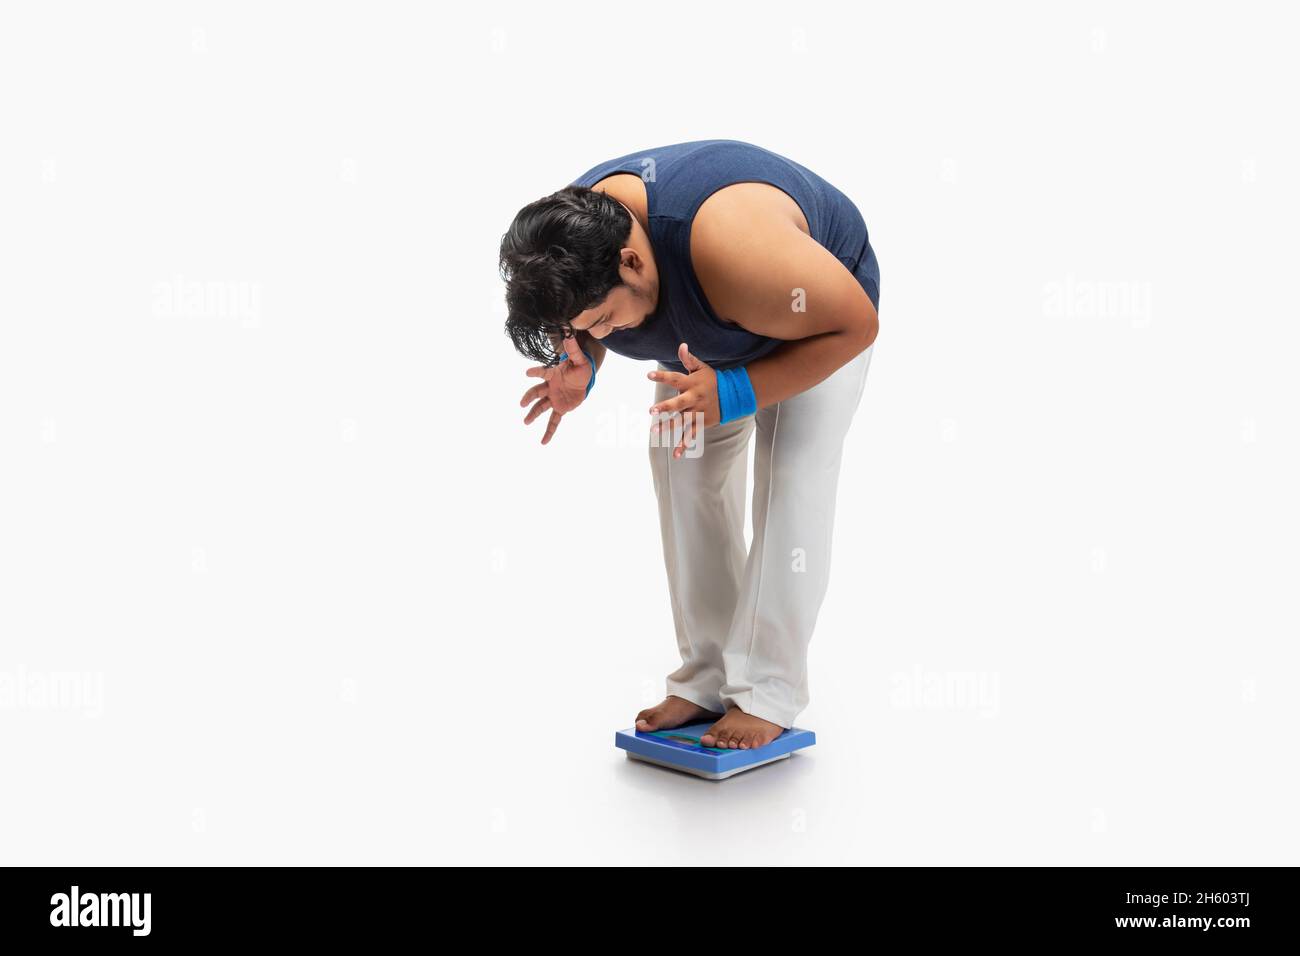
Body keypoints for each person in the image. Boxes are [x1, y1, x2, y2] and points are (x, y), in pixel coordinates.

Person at [499, 140, 879, 750]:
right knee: (682, 470)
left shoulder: (735, 248)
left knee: (790, 478)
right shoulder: (569, 238)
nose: (595, 335)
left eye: (600, 323)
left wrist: (736, 392)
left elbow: (856, 323)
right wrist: (585, 366)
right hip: (712, 323)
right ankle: (707, 677)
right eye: (580, 329)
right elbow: (579, 315)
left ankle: (769, 690)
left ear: (632, 262)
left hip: (816, 317)